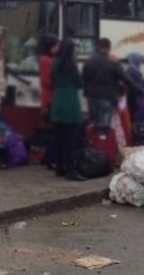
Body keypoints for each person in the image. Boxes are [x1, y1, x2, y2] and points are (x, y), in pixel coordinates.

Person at [82, 38, 143, 130]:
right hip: (107, 97)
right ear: (109, 48)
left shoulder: (88, 61)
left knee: (94, 125)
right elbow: (125, 78)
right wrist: (140, 90)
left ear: (98, 46)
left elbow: (84, 79)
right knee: (105, 127)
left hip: (92, 97)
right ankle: (103, 143)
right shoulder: (112, 63)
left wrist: (87, 92)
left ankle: (94, 143)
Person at [50, 39, 86, 181]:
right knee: (70, 139)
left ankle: (60, 167)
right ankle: (71, 170)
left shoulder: (55, 64)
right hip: (70, 104)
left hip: (57, 103)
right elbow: (79, 83)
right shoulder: (71, 65)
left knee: (59, 138)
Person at [38, 34, 59, 117]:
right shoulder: (46, 60)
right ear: (50, 46)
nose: (58, 48)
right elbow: (46, 80)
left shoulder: (47, 59)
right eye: (56, 46)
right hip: (49, 96)